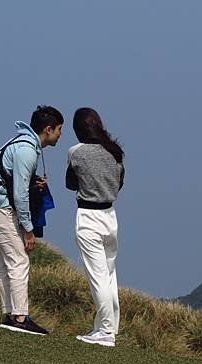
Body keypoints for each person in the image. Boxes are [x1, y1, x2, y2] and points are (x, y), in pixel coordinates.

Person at [0, 105, 64, 335]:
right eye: (59, 130)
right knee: (19, 260)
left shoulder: (20, 142)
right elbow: (19, 194)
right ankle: (19, 317)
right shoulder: (27, 150)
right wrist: (29, 230)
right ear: (48, 129)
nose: (60, 134)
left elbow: (14, 180)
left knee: (6, 261)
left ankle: (10, 314)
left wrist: (32, 182)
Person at [66, 107, 125, 347]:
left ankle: (106, 332)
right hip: (110, 215)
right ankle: (108, 327)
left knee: (97, 276)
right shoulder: (115, 151)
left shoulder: (76, 152)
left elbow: (70, 183)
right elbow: (120, 183)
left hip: (88, 215)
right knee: (109, 274)